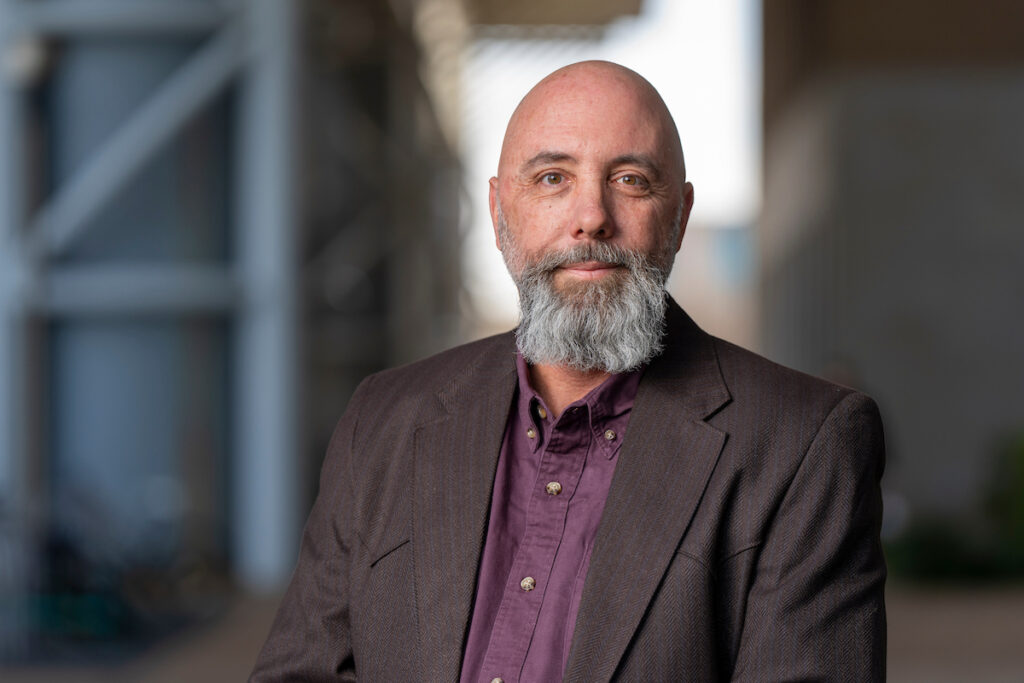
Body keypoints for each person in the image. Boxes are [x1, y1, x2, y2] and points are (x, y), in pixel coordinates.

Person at [250, 60, 886, 682]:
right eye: (553, 178)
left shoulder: (803, 443)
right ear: (500, 213)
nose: (592, 216)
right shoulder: (382, 418)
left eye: (632, 179)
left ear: (682, 216)